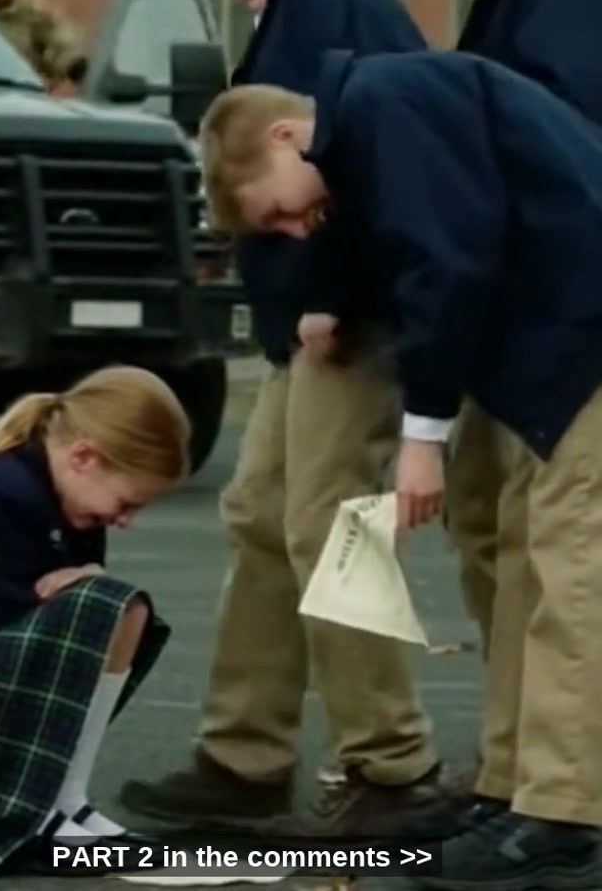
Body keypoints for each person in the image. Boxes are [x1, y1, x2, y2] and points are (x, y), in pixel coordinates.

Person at [197, 47, 602, 889]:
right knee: (525, 561)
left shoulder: (387, 105)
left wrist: (424, 435)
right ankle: (515, 787)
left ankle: (564, 811)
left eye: (277, 212)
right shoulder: (372, 128)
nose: (292, 229)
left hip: (581, 326)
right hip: (555, 338)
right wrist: (328, 296)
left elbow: (445, 259)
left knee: (570, 566)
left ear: (286, 136)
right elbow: (394, 230)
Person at [120, 0, 453, 841]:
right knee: (261, 515)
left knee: (327, 525)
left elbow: (374, 156)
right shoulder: (292, 11)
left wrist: (333, 292)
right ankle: (244, 755)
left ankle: (394, 764)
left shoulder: (335, 2)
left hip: (345, 327)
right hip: (300, 331)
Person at [0, 364, 269, 883]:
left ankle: (68, 801)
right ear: (83, 457)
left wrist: (83, 581)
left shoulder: (67, 501)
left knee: (121, 607)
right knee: (102, 605)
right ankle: (48, 812)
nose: (124, 520)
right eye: (126, 503)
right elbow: (18, 631)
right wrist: (79, 586)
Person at [443, 0, 602, 660]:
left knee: (550, 548)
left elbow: (559, 143)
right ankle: (514, 734)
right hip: (516, 312)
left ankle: (555, 743)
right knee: (487, 524)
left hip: (559, 314)